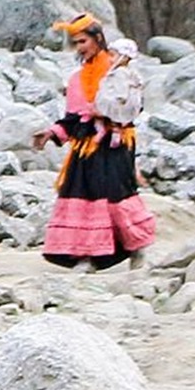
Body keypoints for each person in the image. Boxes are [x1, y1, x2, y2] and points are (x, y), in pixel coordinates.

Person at [34, 14, 155, 272]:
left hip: (115, 144)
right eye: (76, 43)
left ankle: (135, 248)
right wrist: (52, 133)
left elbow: (133, 105)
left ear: (98, 39)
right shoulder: (77, 79)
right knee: (83, 198)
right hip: (85, 148)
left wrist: (107, 113)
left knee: (115, 196)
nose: (80, 48)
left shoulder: (119, 71)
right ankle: (87, 256)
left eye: (83, 41)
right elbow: (73, 117)